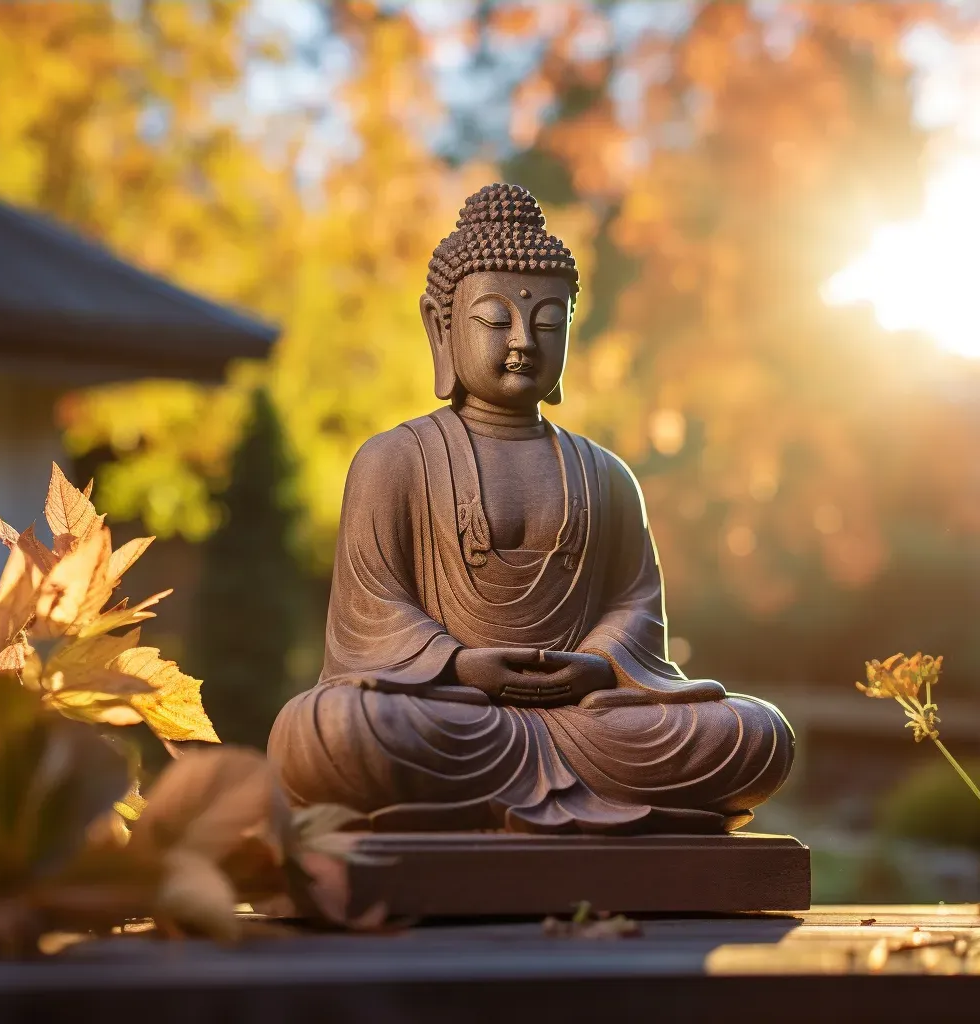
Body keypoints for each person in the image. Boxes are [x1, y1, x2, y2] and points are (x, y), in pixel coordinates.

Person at [268, 183, 793, 834]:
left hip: (587, 720)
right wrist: (459, 664)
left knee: (754, 733)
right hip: (452, 712)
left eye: (549, 323)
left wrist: (599, 665)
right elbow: (372, 612)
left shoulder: (605, 474)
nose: (523, 340)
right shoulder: (393, 460)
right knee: (334, 730)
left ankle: (500, 804)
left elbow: (634, 604)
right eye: (495, 320)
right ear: (441, 326)